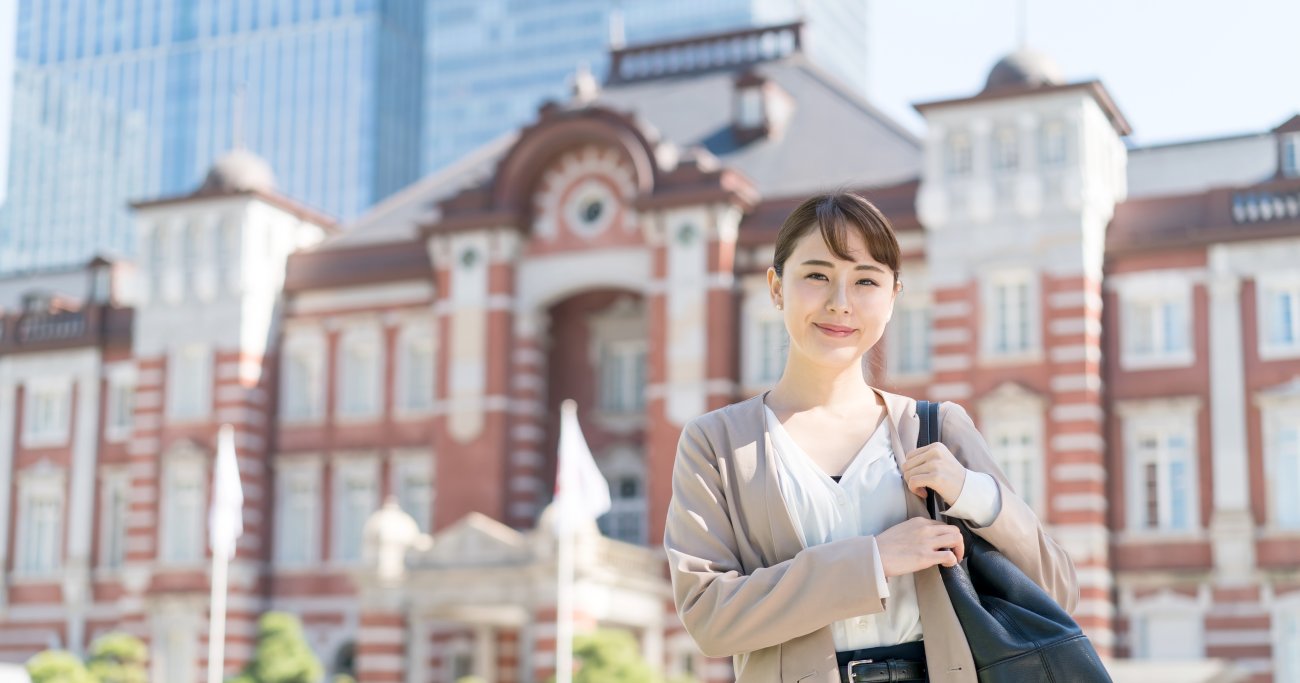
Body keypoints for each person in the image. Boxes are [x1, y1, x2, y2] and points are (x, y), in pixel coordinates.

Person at [663, 192, 1079, 683]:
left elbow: (1057, 589)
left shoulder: (936, 428)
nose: (840, 303)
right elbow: (709, 618)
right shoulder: (717, 444)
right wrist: (874, 560)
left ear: (893, 296)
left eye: (865, 281)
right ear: (776, 287)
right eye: (816, 275)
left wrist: (973, 494)